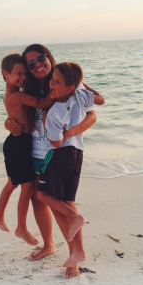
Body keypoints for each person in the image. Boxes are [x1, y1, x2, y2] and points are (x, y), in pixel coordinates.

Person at [4, 44, 104, 278]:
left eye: (41, 58)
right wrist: (8, 123)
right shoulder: (28, 88)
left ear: (48, 57)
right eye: (31, 63)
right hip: (35, 151)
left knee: (64, 204)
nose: (37, 64)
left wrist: (70, 132)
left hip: (60, 151)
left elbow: (93, 113)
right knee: (40, 201)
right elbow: (16, 111)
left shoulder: (67, 78)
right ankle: (49, 245)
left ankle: (75, 253)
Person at [37, 62, 101, 270]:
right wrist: (80, 83)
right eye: (51, 80)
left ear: (69, 87)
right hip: (77, 153)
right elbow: (100, 99)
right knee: (67, 199)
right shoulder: (80, 96)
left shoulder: (54, 113)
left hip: (57, 154)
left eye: (57, 82)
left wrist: (47, 123)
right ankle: (78, 252)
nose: (51, 84)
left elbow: (55, 142)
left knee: (43, 195)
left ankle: (75, 217)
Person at [0, 53, 53, 246]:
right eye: (19, 73)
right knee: (26, 188)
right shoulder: (17, 95)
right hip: (19, 144)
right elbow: (42, 103)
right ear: (6, 74)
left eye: (25, 73)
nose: (24, 77)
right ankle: (21, 228)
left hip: (17, 142)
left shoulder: (12, 93)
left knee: (12, 184)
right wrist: (59, 90)